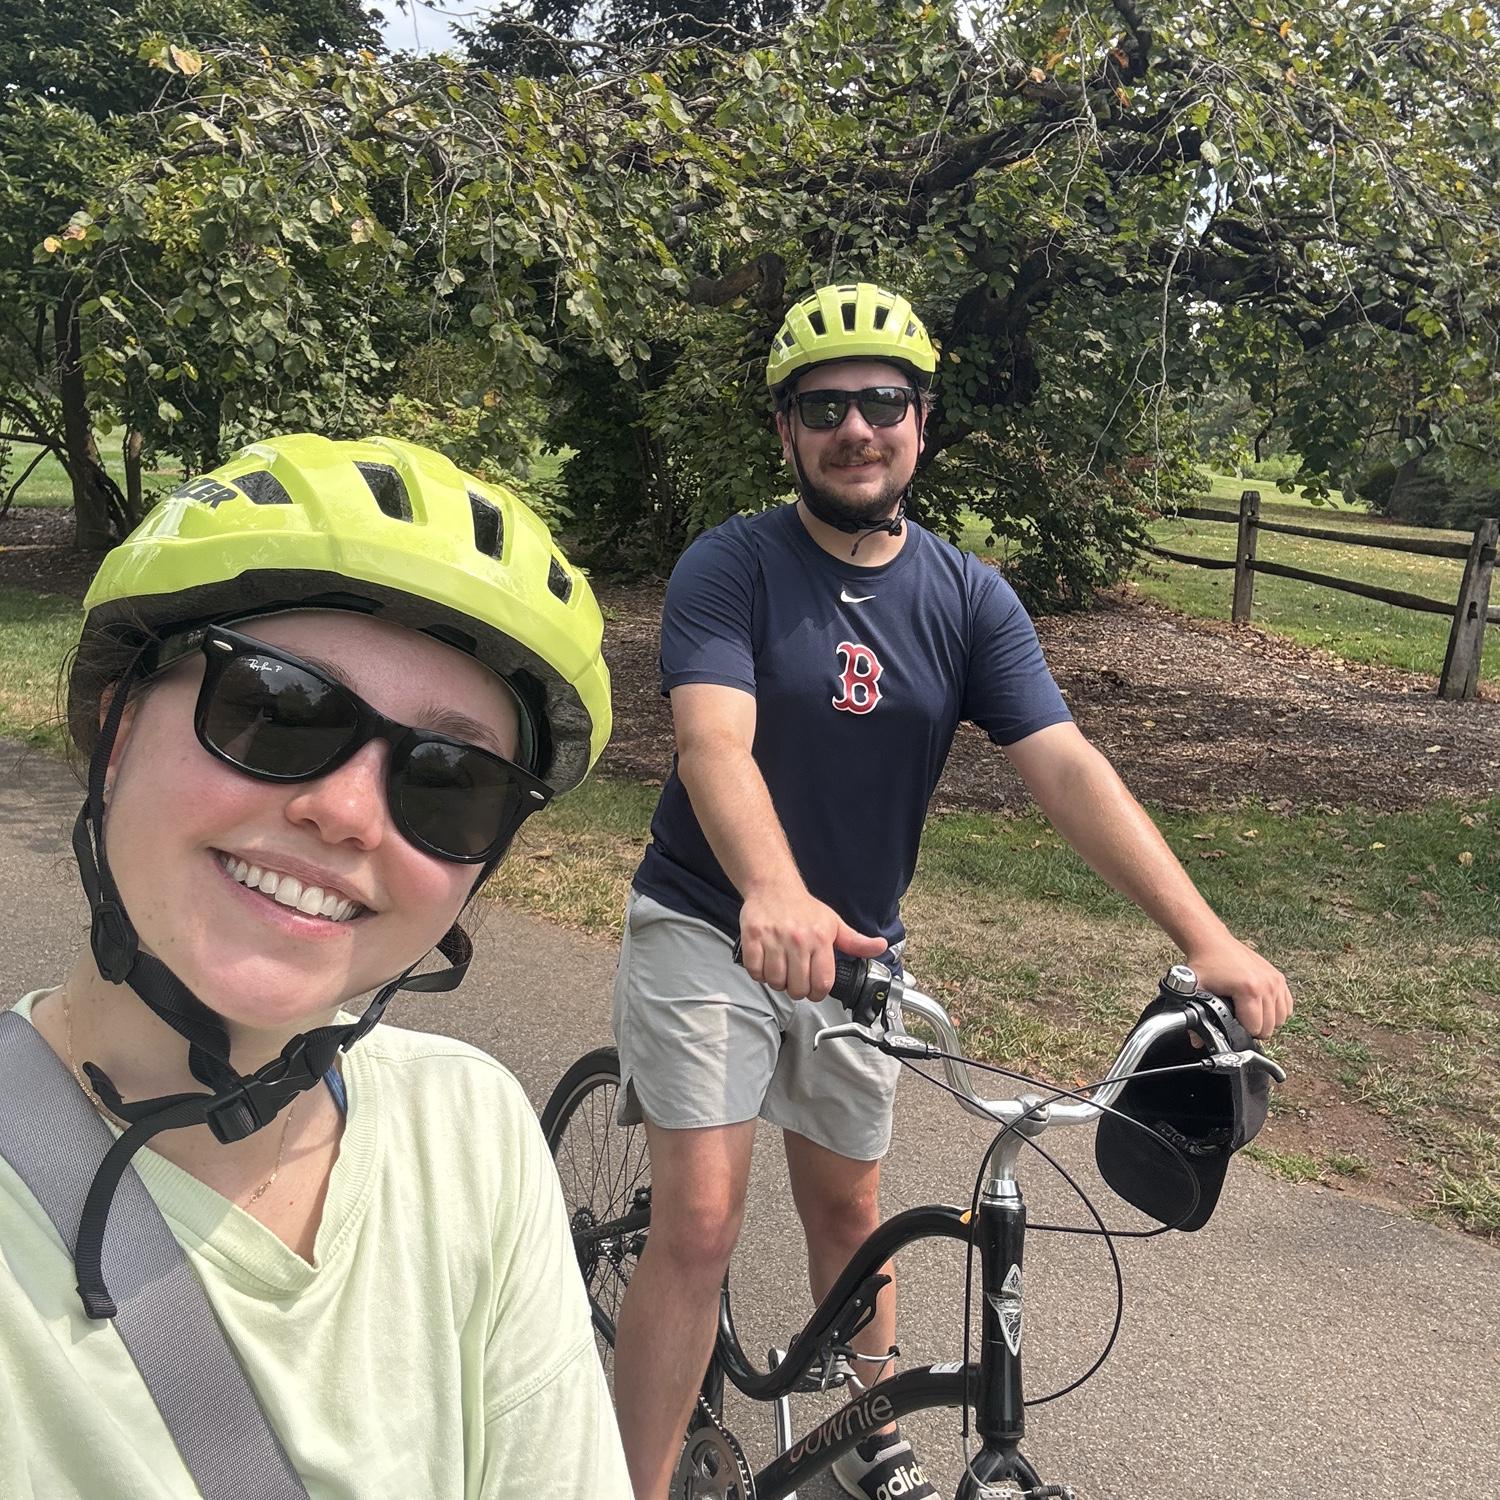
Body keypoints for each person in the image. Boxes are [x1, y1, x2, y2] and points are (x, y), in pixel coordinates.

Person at [608, 281, 1295, 1500]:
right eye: (823, 406)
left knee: (851, 1213)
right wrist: (772, 888)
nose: (855, 428)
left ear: (922, 423)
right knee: (701, 1225)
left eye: (883, 402)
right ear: (785, 430)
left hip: (858, 951)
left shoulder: (969, 597)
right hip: (715, 923)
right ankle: (632, 1484)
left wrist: (1210, 937)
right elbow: (714, 744)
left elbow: (1066, 767)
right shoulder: (733, 565)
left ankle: (867, 1435)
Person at [0, 434, 632, 1498]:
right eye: (276, 711)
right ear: (118, 732)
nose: (346, 813)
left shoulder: (470, 1134)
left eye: (451, 782)